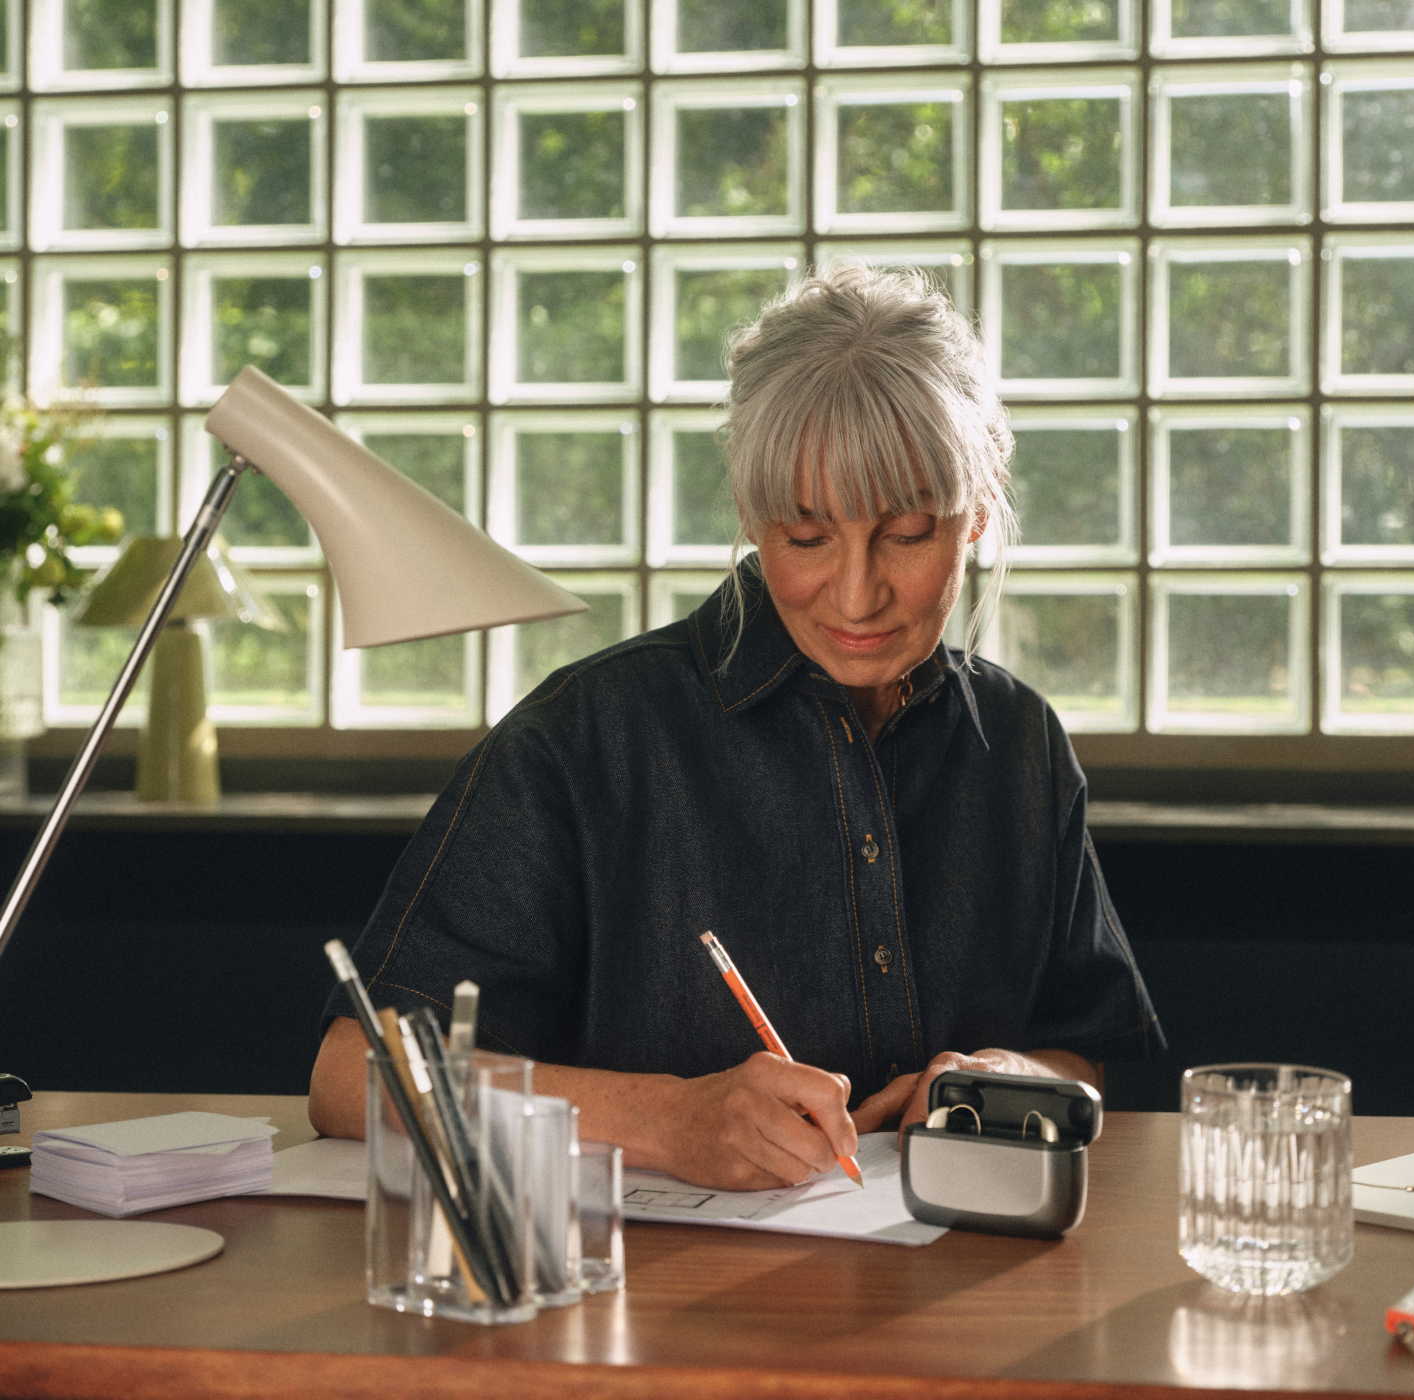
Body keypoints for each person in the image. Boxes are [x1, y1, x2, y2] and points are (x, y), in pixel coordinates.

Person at [308, 264, 1162, 1190]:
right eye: (807, 538)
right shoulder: (587, 738)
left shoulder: (1021, 744)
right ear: (753, 518)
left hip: (956, 1269)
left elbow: (1080, 1055)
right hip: (649, 1276)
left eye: (909, 533)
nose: (857, 594)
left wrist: (1009, 1078)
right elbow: (352, 1079)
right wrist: (667, 1120)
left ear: (979, 513)